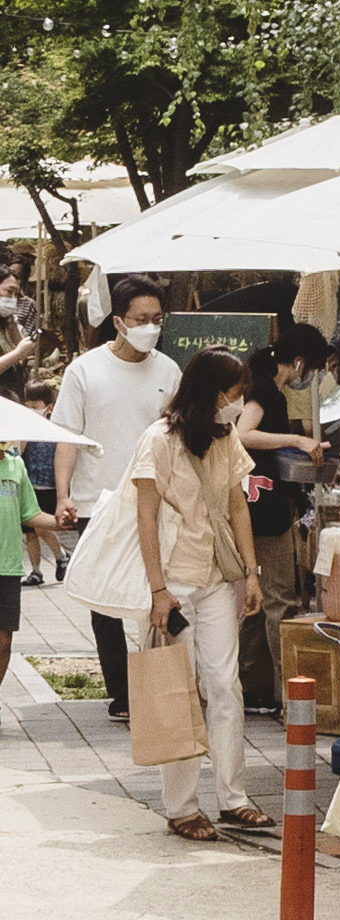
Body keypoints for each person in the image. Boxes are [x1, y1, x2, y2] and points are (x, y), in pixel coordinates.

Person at [131, 344, 273, 841]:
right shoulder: (159, 440)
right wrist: (158, 591)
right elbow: (144, 515)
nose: (237, 403)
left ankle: (233, 798)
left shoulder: (225, 435)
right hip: (173, 583)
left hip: (215, 579)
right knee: (179, 691)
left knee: (225, 686)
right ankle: (182, 806)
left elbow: (238, 507)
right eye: (234, 394)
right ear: (212, 391)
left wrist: (250, 574)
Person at [52, 274, 181, 721]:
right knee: (105, 601)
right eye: (141, 319)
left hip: (156, 501)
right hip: (99, 500)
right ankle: (122, 694)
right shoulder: (84, 370)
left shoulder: (169, 371)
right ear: (118, 322)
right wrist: (64, 495)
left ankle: (158, 680)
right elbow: (66, 436)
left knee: (156, 594)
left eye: (157, 319)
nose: (150, 326)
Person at [236, 323, 328, 710]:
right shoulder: (263, 389)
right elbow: (243, 434)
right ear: (300, 362)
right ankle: (289, 694)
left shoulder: (264, 385)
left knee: (259, 603)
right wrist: (296, 439)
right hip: (260, 506)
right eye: (313, 371)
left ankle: (248, 684)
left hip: (260, 502)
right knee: (279, 599)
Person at [0, 438, 71, 719]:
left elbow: (29, 513)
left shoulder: (15, 465)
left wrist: (60, 521)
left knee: (4, 641)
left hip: (8, 567)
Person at [20, 381, 70, 585]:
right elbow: (20, 451)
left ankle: (61, 556)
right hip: (30, 484)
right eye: (28, 404)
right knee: (30, 532)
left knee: (42, 527)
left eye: (36, 405)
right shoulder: (25, 427)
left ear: (49, 406)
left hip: (50, 486)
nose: (32, 409)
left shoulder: (57, 428)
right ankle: (36, 570)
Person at [0, 264, 38, 401]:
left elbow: (22, 357)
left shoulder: (6, 324)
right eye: (9, 292)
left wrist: (12, 324)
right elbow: (18, 355)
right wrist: (16, 354)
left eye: (16, 294)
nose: (13, 298)